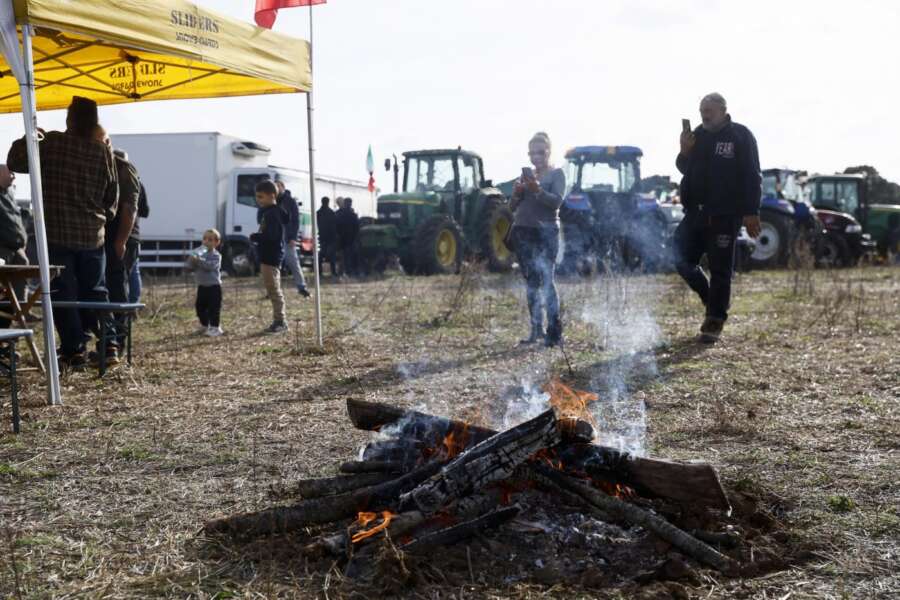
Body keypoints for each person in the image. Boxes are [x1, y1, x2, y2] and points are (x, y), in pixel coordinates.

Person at [6, 96, 118, 368]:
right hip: (93, 235)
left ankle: (73, 350)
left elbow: (15, 162)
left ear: (69, 119)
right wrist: (100, 219)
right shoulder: (102, 151)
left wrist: (31, 137)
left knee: (63, 293)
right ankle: (109, 345)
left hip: (56, 234)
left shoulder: (52, 144)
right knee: (96, 291)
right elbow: (111, 195)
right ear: (94, 122)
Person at [675, 92, 761, 344]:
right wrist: (684, 151)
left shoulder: (740, 136)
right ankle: (709, 296)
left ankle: (715, 319)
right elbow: (684, 168)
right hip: (695, 213)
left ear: (723, 110)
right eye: (702, 109)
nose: (704, 114)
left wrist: (751, 211)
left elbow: (752, 175)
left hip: (725, 214)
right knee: (678, 258)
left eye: (709, 109)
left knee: (721, 269)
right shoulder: (697, 136)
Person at [509, 132, 566, 347]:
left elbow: (556, 203)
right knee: (531, 283)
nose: (536, 157)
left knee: (547, 281)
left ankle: (554, 333)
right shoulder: (526, 176)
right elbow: (511, 208)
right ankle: (536, 331)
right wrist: (517, 193)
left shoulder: (557, 174)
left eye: (540, 152)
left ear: (549, 151)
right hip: (523, 232)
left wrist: (537, 190)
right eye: (532, 153)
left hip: (546, 233)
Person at [94, 126, 139, 359]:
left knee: (117, 288)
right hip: (102, 238)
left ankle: (117, 344)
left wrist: (121, 241)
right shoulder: (95, 165)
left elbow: (131, 207)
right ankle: (106, 341)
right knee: (103, 289)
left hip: (121, 238)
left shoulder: (122, 167)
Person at [251, 180, 288, 333]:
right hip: (269, 255)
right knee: (272, 289)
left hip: (271, 257)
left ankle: (280, 322)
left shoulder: (272, 214)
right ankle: (278, 320)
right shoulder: (271, 212)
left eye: (261, 197)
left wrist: (256, 237)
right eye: (257, 197)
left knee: (274, 290)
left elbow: (272, 236)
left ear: (272, 195)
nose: (258, 200)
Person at [0, 165, 28, 328]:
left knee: (16, 289)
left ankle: (20, 311)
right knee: (3, 294)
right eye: (10, 172)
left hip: (14, 249)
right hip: (2, 251)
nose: (13, 176)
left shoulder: (8, 194)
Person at [275, 179, 311, 297]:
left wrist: (293, 237)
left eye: (278, 186)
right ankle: (274, 289)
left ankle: (301, 287)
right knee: (275, 265)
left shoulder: (290, 202)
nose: (276, 188)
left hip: (287, 238)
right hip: (276, 238)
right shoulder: (273, 201)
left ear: (282, 187)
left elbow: (295, 221)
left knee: (293, 263)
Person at [185, 229, 223, 337]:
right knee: (199, 307)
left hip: (214, 287)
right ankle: (205, 325)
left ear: (216, 242)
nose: (206, 241)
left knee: (213, 309)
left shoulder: (216, 255)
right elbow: (191, 265)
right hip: (202, 286)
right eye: (204, 239)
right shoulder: (199, 252)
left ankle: (215, 328)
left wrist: (199, 259)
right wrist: (191, 261)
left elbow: (209, 266)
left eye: (210, 240)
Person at [128, 183, 149, 304]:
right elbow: (145, 211)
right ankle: (134, 305)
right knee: (134, 270)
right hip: (134, 234)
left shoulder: (115, 177)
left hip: (116, 235)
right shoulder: (138, 183)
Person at [335, 197, 360, 276]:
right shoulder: (353, 215)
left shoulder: (339, 214)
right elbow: (357, 228)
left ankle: (343, 271)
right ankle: (351, 271)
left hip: (342, 239)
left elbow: (336, 226)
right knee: (351, 256)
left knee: (344, 257)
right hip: (350, 239)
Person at [316, 196, 338, 276]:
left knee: (321, 255)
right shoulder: (331, 212)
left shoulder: (318, 213)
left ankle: (319, 272)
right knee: (332, 256)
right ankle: (333, 272)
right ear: (328, 202)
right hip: (330, 237)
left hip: (322, 236)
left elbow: (318, 224)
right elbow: (334, 225)